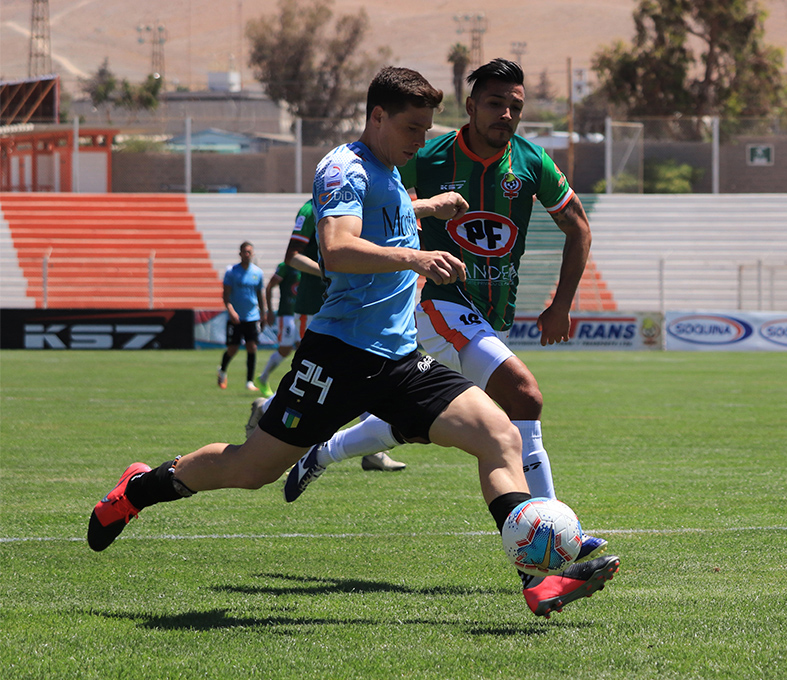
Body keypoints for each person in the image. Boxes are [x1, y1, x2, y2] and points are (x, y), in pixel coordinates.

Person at [87, 66, 619, 618]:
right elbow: (337, 248)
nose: (421, 141)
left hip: (400, 358)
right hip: (336, 357)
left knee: (500, 437)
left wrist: (426, 210)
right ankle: (140, 489)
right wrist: (418, 257)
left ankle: (537, 578)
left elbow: (384, 216)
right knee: (251, 470)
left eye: (427, 128)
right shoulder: (342, 168)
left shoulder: (390, 171)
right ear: (378, 116)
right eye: (413, 128)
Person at [282, 58, 608, 562]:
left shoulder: (532, 162)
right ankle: (553, 529)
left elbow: (579, 225)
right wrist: (419, 230)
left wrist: (561, 303)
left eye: (514, 107)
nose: (505, 114)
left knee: (411, 424)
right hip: (434, 306)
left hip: (485, 316)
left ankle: (323, 451)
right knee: (523, 396)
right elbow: (376, 205)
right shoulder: (424, 154)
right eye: (495, 104)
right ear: (472, 107)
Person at [248, 200, 407, 471]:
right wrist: (327, 270)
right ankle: (267, 408)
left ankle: (372, 451)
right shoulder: (312, 209)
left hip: (354, 302)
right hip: (315, 305)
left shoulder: (359, 207)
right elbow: (292, 256)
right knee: (319, 379)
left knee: (363, 371)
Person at [218, 241, 267, 391]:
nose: (247, 254)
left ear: (252, 254)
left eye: (249, 252)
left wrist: (263, 314)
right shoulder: (232, 272)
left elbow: (260, 294)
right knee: (233, 348)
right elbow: (225, 295)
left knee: (252, 347)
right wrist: (231, 311)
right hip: (236, 317)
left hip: (251, 316)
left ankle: (249, 382)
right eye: (244, 252)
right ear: (240, 254)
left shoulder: (257, 273)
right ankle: (222, 370)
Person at [252, 260, 301, 397]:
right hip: (287, 315)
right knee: (285, 350)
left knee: (303, 348)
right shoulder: (286, 266)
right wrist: (270, 311)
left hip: (301, 314)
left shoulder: (312, 262)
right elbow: (269, 287)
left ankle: (298, 386)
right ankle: (263, 378)